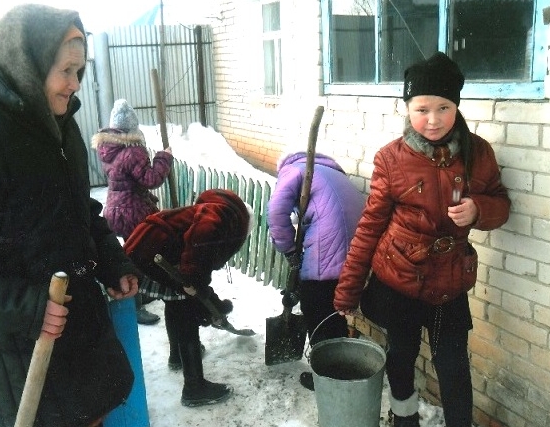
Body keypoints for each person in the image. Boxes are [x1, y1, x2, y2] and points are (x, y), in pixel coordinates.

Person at [0, 5, 140, 427]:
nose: (75, 84)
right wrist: (27, 309)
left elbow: (79, 209)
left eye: (80, 70)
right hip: (14, 354)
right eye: (66, 70)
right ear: (27, 64)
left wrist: (112, 261)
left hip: (79, 332)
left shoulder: (59, 123)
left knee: (92, 416)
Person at [333, 52, 511, 427]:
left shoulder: (479, 154)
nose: (433, 120)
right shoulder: (391, 158)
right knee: (401, 353)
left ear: (457, 107)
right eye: (422, 109)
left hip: (450, 280)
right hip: (400, 277)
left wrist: (480, 210)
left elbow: (500, 203)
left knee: (453, 363)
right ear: (408, 108)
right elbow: (370, 227)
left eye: (443, 108)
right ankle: (405, 419)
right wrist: (348, 290)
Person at [123, 189, 252, 407]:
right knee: (186, 312)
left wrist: (211, 302)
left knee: (177, 303)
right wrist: (194, 283)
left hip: (147, 251)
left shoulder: (215, 210)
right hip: (154, 255)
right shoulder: (222, 215)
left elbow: (200, 268)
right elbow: (200, 242)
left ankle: (177, 357)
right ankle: (194, 387)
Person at [266, 149, 365, 391]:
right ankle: (341, 367)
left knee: (316, 310)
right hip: (356, 249)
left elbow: (276, 213)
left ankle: (327, 377)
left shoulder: (293, 170)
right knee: (333, 310)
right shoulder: (330, 172)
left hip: (329, 246)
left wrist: (288, 250)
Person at [92, 98, 174, 325]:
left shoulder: (109, 149)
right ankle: (135, 304)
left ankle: (142, 292)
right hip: (133, 213)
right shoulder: (132, 151)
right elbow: (151, 178)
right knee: (137, 257)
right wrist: (163, 157)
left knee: (132, 252)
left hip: (116, 210)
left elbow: (127, 181)